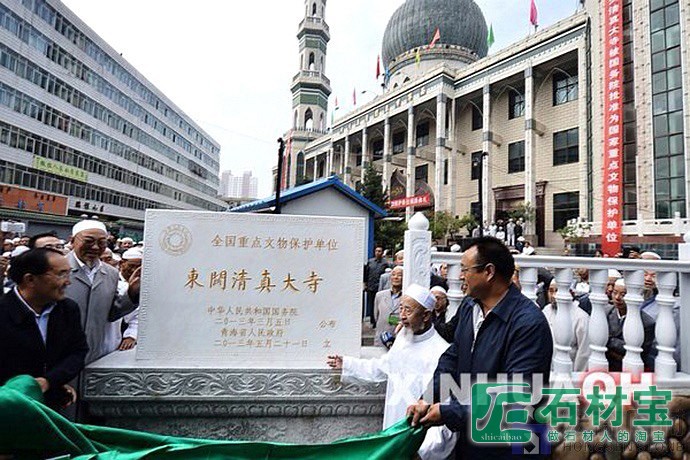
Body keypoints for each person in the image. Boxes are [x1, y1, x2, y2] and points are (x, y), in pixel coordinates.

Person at [406, 236, 553, 459]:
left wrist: (448, 413)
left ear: (489, 272)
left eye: (465, 269)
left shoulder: (528, 323)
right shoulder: (469, 306)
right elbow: (453, 356)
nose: (459, 276)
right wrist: (428, 397)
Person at [328, 284, 455, 459]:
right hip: (393, 428)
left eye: (408, 311)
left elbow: (443, 413)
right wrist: (348, 364)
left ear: (426, 315)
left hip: (417, 446)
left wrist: (424, 451)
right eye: (401, 308)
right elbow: (383, 367)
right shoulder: (404, 337)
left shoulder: (441, 353)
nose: (401, 316)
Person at [0, 248, 88, 409]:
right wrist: (25, 388)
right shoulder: (4, 311)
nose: (68, 282)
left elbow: (78, 351)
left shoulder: (67, 309)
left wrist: (50, 381)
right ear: (30, 279)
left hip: (51, 406)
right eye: (61, 274)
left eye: (68, 274)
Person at [64, 220, 140, 364]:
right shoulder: (58, 269)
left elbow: (111, 314)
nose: (95, 247)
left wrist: (131, 294)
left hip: (96, 353)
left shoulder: (110, 273)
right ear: (72, 241)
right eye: (88, 241)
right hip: (61, 354)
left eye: (101, 243)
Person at [606, 278, 656, 372]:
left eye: (623, 294)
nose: (617, 297)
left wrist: (610, 341)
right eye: (615, 292)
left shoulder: (647, 322)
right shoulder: (606, 313)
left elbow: (640, 353)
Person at [542, 279, 590, 371]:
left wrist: (576, 377)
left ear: (571, 293)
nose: (553, 295)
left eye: (557, 291)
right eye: (551, 291)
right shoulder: (546, 311)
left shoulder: (581, 317)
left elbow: (584, 353)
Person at [373, 266, 403, 348]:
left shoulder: (406, 297)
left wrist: (395, 320)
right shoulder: (380, 295)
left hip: (399, 340)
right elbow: (376, 316)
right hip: (381, 339)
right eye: (393, 275)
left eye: (399, 275)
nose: (396, 277)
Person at [363, 246, 391, 325]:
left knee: (381, 305)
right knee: (371, 304)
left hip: (381, 287)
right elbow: (366, 273)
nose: (378, 252)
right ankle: (373, 321)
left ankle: (379, 320)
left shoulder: (385, 263)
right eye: (376, 251)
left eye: (379, 251)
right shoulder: (370, 262)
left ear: (382, 253)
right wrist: (365, 284)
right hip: (371, 287)